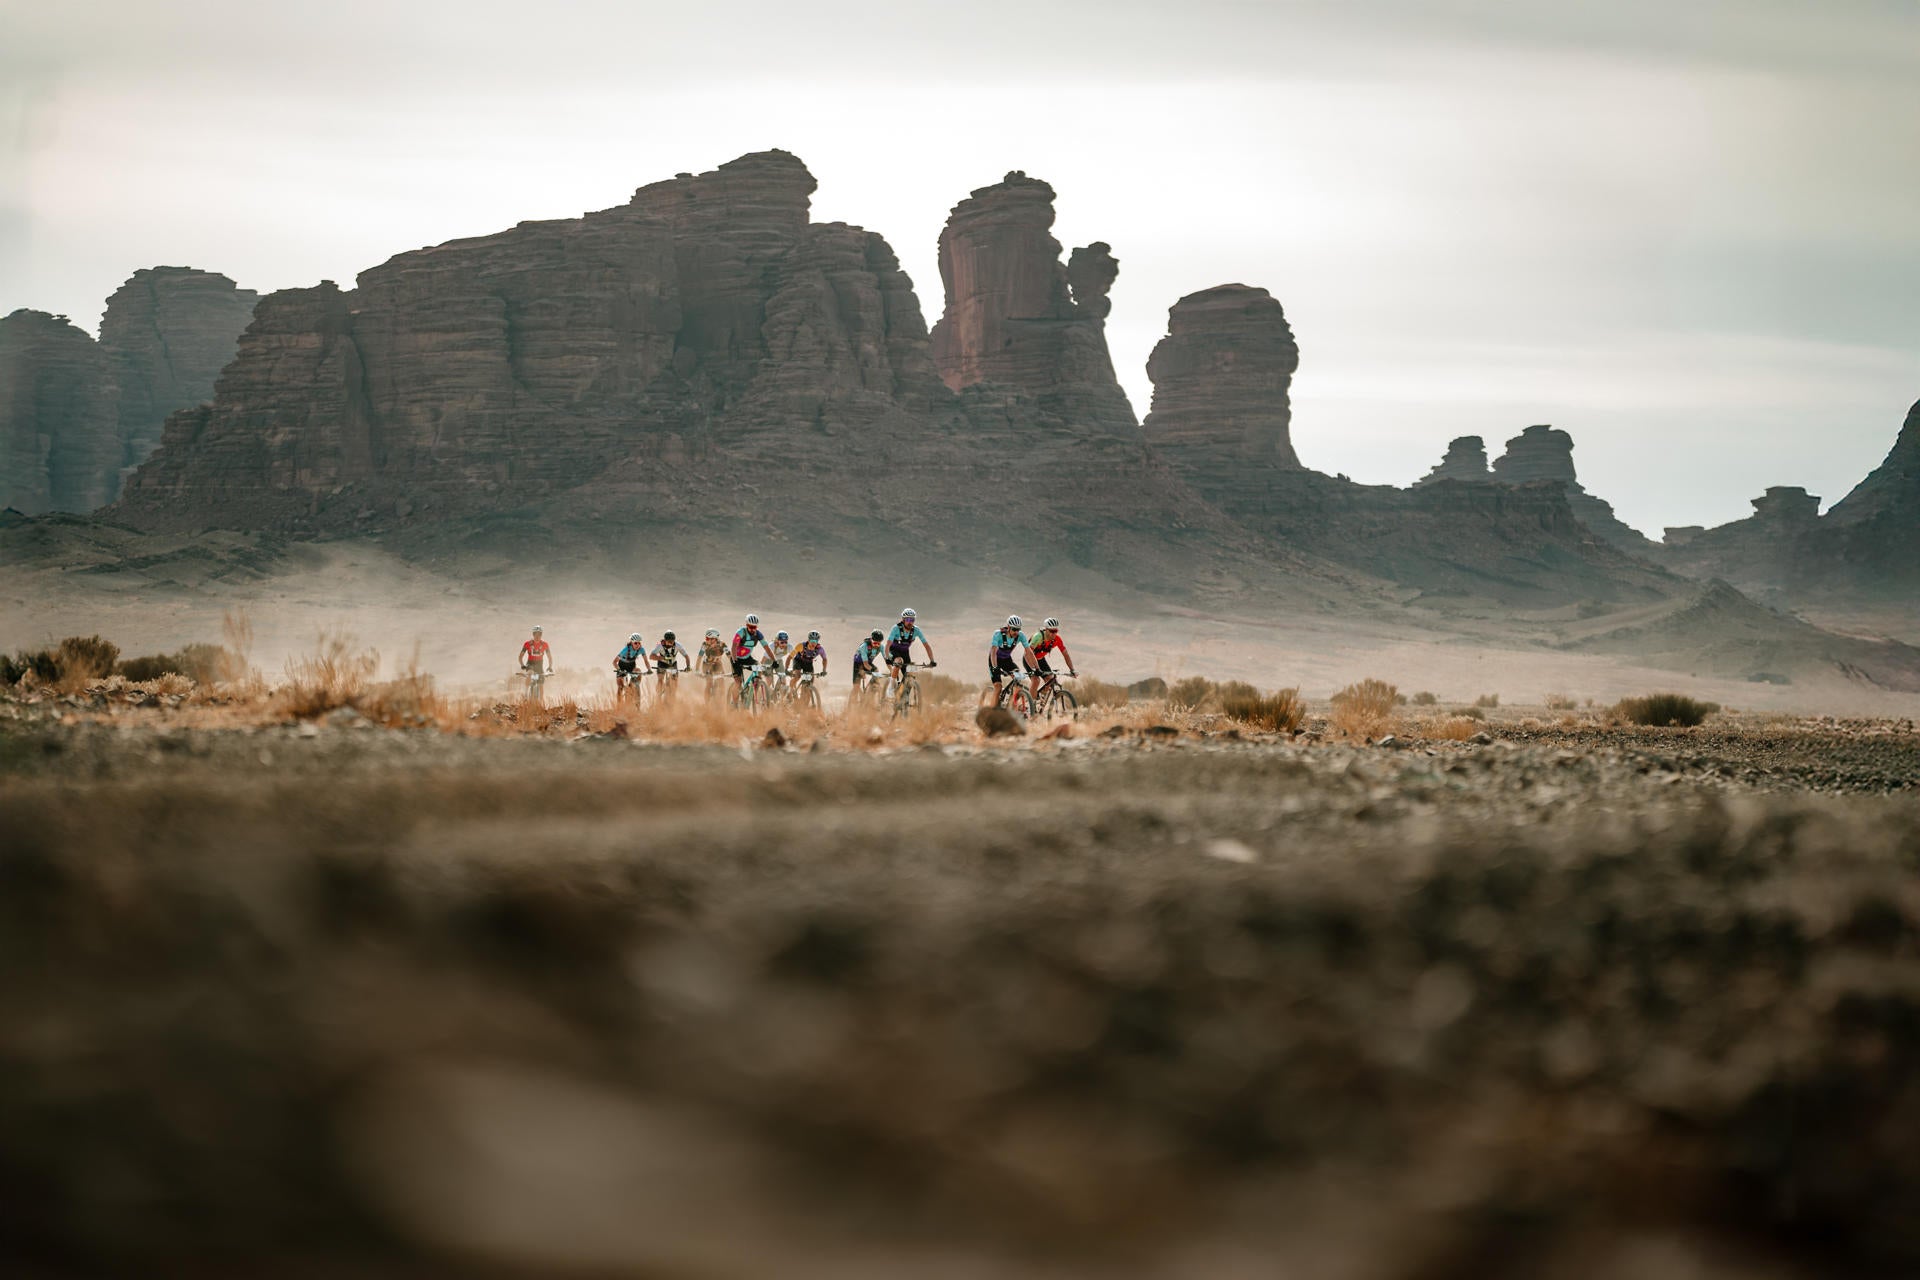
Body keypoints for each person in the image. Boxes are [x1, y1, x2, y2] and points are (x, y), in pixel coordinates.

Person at [885, 608, 936, 689]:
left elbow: (926, 646)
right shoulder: (896, 628)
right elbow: (888, 644)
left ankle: (904, 698)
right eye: (908, 619)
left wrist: (932, 660)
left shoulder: (916, 630)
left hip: (905, 652)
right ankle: (891, 686)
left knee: (910, 674)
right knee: (898, 661)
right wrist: (887, 657)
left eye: (912, 619)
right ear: (903, 619)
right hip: (893, 651)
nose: (910, 622)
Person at [986, 615, 1033, 695]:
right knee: (998, 686)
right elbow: (993, 652)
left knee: (1018, 678)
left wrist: (1035, 668)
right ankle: (993, 707)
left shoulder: (1021, 635)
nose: (1016, 632)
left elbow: (1029, 652)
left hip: (1006, 660)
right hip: (995, 660)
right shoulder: (998, 634)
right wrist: (994, 667)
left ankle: (1011, 704)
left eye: (1018, 629)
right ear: (1008, 627)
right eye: (1014, 629)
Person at [1024, 617, 1076, 684]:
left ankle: (1043, 694)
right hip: (1029, 659)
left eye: (1055, 631)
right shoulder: (1038, 637)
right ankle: (1029, 694)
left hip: (1040, 659)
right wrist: (1034, 668)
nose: (1054, 634)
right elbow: (1027, 653)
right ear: (1046, 629)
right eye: (1051, 631)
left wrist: (1072, 670)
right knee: (1036, 681)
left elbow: (1066, 654)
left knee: (1051, 680)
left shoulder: (1057, 639)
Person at [731, 613, 776, 690]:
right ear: (746, 625)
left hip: (748, 658)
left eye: (754, 627)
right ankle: (735, 702)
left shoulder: (758, 634)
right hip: (736, 659)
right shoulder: (741, 632)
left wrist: (775, 661)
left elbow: (767, 648)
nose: (753, 629)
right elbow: (734, 647)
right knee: (738, 682)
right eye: (750, 627)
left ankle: (753, 690)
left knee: (759, 669)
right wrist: (735, 660)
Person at [613, 631, 647, 701]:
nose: (638, 644)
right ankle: (619, 705)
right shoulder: (625, 650)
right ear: (631, 643)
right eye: (635, 643)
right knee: (620, 686)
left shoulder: (641, 650)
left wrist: (649, 669)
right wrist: (619, 670)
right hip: (621, 667)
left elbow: (646, 661)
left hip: (631, 667)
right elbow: (614, 662)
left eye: (639, 643)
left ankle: (634, 689)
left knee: (638, 672)